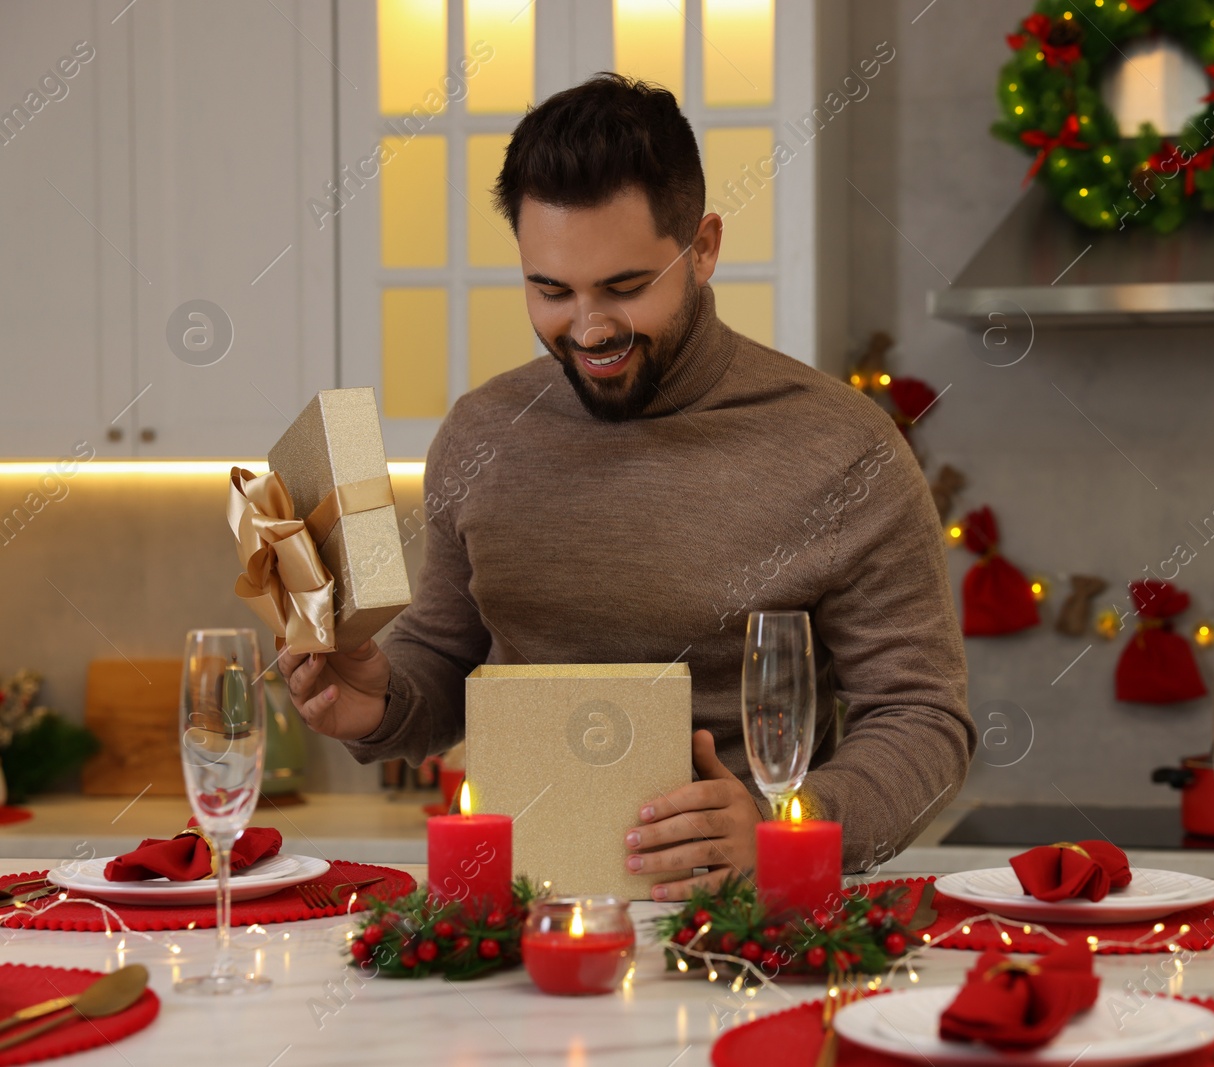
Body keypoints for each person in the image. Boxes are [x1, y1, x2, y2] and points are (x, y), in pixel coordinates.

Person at [279, 73, 972, 901]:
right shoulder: (480, 431)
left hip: (740, 922)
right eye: (550, 290)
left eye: (625, 287)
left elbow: (923, 719)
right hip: (514, 914)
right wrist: (379, 699)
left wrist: (787, 824)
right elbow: (443, 655)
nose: (589, 328)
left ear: (704, 247)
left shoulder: (842, 447)